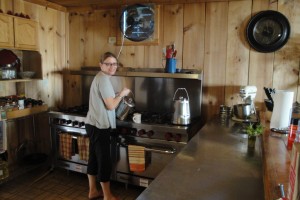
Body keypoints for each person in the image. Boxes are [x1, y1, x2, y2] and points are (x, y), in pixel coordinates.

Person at [85, 52, 130, 200]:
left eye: (114, 64)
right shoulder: (103, 79)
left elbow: (106, 99)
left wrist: (116, 94)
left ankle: (93, 191)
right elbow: (111, 106)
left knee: (93, 158)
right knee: (104, 160)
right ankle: (107, 196)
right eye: (108, 64)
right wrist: (122, 94)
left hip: (93, 124)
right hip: (99, 126)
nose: (112, 67)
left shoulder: (100, 77)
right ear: (101, 65)